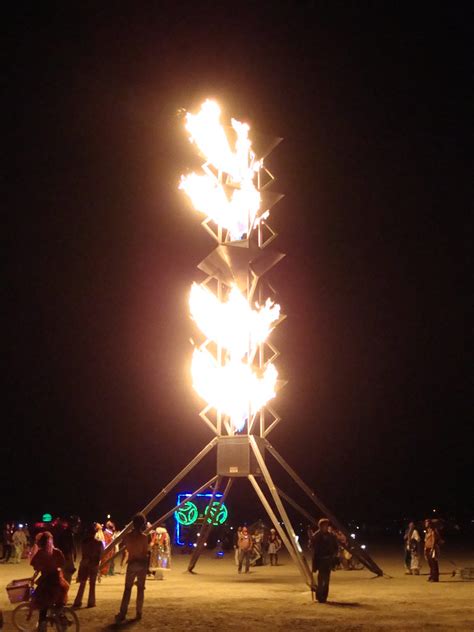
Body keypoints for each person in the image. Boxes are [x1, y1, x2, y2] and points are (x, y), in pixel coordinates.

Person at [30, 531, 69, 632]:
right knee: (59, 601)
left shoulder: (40, 554)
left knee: (42, 604)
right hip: (57, 581)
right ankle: (60, 616)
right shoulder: (57, 552)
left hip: (46, 583)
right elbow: (62, 563)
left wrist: (34, 577)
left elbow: (36, 567)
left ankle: (42, 627)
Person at [115, 513, 149, 623]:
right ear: (143, 524)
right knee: (140, 589)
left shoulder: (128, 536)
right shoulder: (144, 537)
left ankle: (123, 612)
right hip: (141, 564)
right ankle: (139, 612)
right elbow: (145, 553)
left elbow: (122, 546)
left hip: (132, 563)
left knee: (127, 589)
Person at [72, 524, 103, 609]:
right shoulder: (98, 543)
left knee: (82, 583)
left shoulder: (83, 542)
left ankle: (78, 601)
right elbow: (100, 555)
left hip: (85, 562)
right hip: (94, 563)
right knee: (92, 584)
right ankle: (91, 602)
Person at [311, 518, 338, 603]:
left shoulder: (331, 536)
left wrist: (334, 555)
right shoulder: (317, 535)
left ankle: (324, 597)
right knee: (321, 579)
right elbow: (312, 546)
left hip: (328, 560)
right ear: (320, 526)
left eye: (327, 525)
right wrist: (312, 540)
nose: (326, 527)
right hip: (320, 560)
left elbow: (335, 546)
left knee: (327, 580)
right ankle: (319, 596)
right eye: (324, 525)